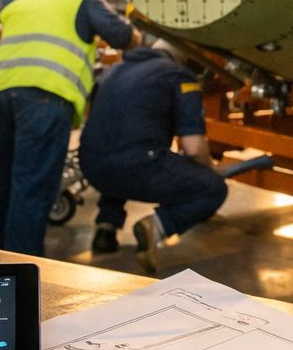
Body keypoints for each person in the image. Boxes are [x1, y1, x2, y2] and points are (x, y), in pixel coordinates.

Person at [0, 0, 138, 256]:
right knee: (33, 182)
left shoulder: (17, 4)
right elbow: (121, 36)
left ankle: (0, 258)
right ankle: (21, 264)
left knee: (5, 175)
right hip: (44, 95)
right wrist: (137, 39)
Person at [79, 39, 223, 272]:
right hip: (136, 167)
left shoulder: (113, 70)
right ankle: (156, 226)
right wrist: (209, 168)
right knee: (213, 188)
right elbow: (194, 148)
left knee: (119, 151)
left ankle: (106, 227)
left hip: (92, 165)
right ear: (186, 56)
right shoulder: (179, 75)